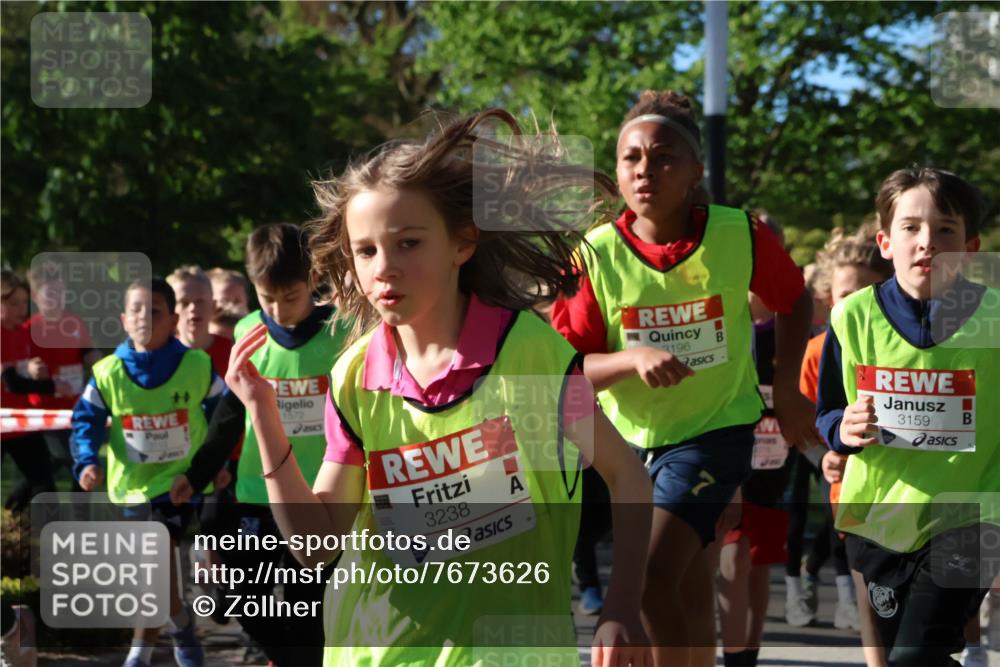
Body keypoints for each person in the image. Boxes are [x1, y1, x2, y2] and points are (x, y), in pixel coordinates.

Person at [224, 109, 653, 666]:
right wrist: (262, 414)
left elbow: (626, 475)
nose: (384, 268)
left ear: (462, 243)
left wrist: (622, 604)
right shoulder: (354, 375)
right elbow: (317, 545)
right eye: (366, 250)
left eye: (408, 243)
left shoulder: (534, 356)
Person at [551, 90, 817, 667]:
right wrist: (631, 360)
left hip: (715, 433)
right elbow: (568, 369)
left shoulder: (738, 233)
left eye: (664, 157)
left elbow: (795, 299)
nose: (645, 169)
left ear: (696, 172)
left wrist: (788, 389)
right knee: (689, 588)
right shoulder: (595, 254)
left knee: (648, 579)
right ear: (617, 172)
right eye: (631, 157)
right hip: (629, 446)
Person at [817, 167, 998, 666]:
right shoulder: (851, 317)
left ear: (971, 248)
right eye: (911, 227)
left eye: (946, 230)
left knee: (914, 657)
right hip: (880, 520)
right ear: (885, 242)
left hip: (971, 517)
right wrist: (842, 430)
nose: (928, 242)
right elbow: (828, 410)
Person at [171, 223, 350, 666]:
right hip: (255, 493)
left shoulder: (342, 333)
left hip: (316, 497)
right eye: (267, 298)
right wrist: (197, 472)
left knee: (306, 612)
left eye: (290, 297)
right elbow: (232, 411)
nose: (278, 310)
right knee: (241, 599)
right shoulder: (249, 330)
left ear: (313, 279)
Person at [72, 278, 225, 667]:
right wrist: (87, 460)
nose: (144, 318)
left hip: (179, 483)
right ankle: (181, 628)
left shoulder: (197, 365)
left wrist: (218, 463)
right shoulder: (107, 372)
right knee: (150, 573)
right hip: (131, 487)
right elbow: (86, 420)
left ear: (173, 320)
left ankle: (138, 656)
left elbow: (224, 416)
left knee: (155, 560)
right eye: (136, 310)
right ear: (124, 320)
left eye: (154, 311)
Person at [806, 226, 895, 665]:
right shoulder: (818, 351)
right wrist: (824, 454)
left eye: (866, 291)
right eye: (845, 294)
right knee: (871, 598)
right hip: (853, 493)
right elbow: (811, 423)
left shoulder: (910, 343)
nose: (855, 303)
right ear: (829, 300)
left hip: (918, 492)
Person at [717, 214, 800, 667]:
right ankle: (734, 656)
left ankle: (749, 652)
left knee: (760, 559)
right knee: (732, 555)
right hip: (724, 448)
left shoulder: (789, 324)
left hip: (773, 454)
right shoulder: (724, 311)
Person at [24, 267, 101, 491]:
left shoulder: (74, 322)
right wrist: (29, 368)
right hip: (44, 410)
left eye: (61, 292)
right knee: (70, 458)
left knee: (73, 458)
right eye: (50, 293)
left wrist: (97, 360)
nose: (57, 298)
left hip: (75, 408)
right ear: (35, 296)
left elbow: (88, 352)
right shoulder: (29, 329)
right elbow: (18, 365)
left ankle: (78, 509)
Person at [1, 270, 57, 512]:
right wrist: (52, 387)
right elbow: (12, 382)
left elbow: (19, 375)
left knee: (44, 481)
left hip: (19, 421)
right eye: (14, 303)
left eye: (24, 303)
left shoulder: (22, 332)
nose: (21, 309)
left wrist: (36, 372)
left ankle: (40, 530)